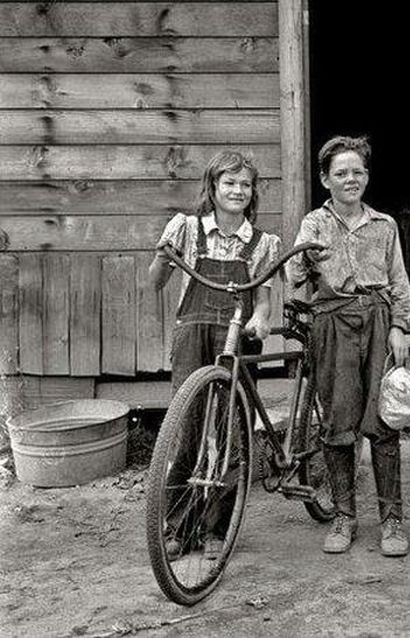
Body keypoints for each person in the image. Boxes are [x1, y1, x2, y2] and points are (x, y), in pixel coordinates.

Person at [286, 135, 410, 557]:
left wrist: (399, 326)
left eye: (357, 171)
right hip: (332, 323)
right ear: (326, 179)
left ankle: (392, 521)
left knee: (384, 421)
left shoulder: (384, 225)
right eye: (341, 173)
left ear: (367, 176)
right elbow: (294, 278)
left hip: (377, 319)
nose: (350, 179)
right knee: (339, 424)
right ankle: (344, 516)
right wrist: (305, 258)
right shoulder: (313, 224)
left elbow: (398, 281)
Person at [149, 150, 281, 558]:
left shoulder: (263, 242)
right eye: (229, 183)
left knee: (228, 433)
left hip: (236, 337)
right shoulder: (187, 229)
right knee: (186, 429)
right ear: (213, 187)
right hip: (192, 334)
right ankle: (177, 527)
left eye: (245, 185)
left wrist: (260, 318)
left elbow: (263, 301)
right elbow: (154, 282)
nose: (237, 191)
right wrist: (162, 255)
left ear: (252, 192)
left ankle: (215, 531)